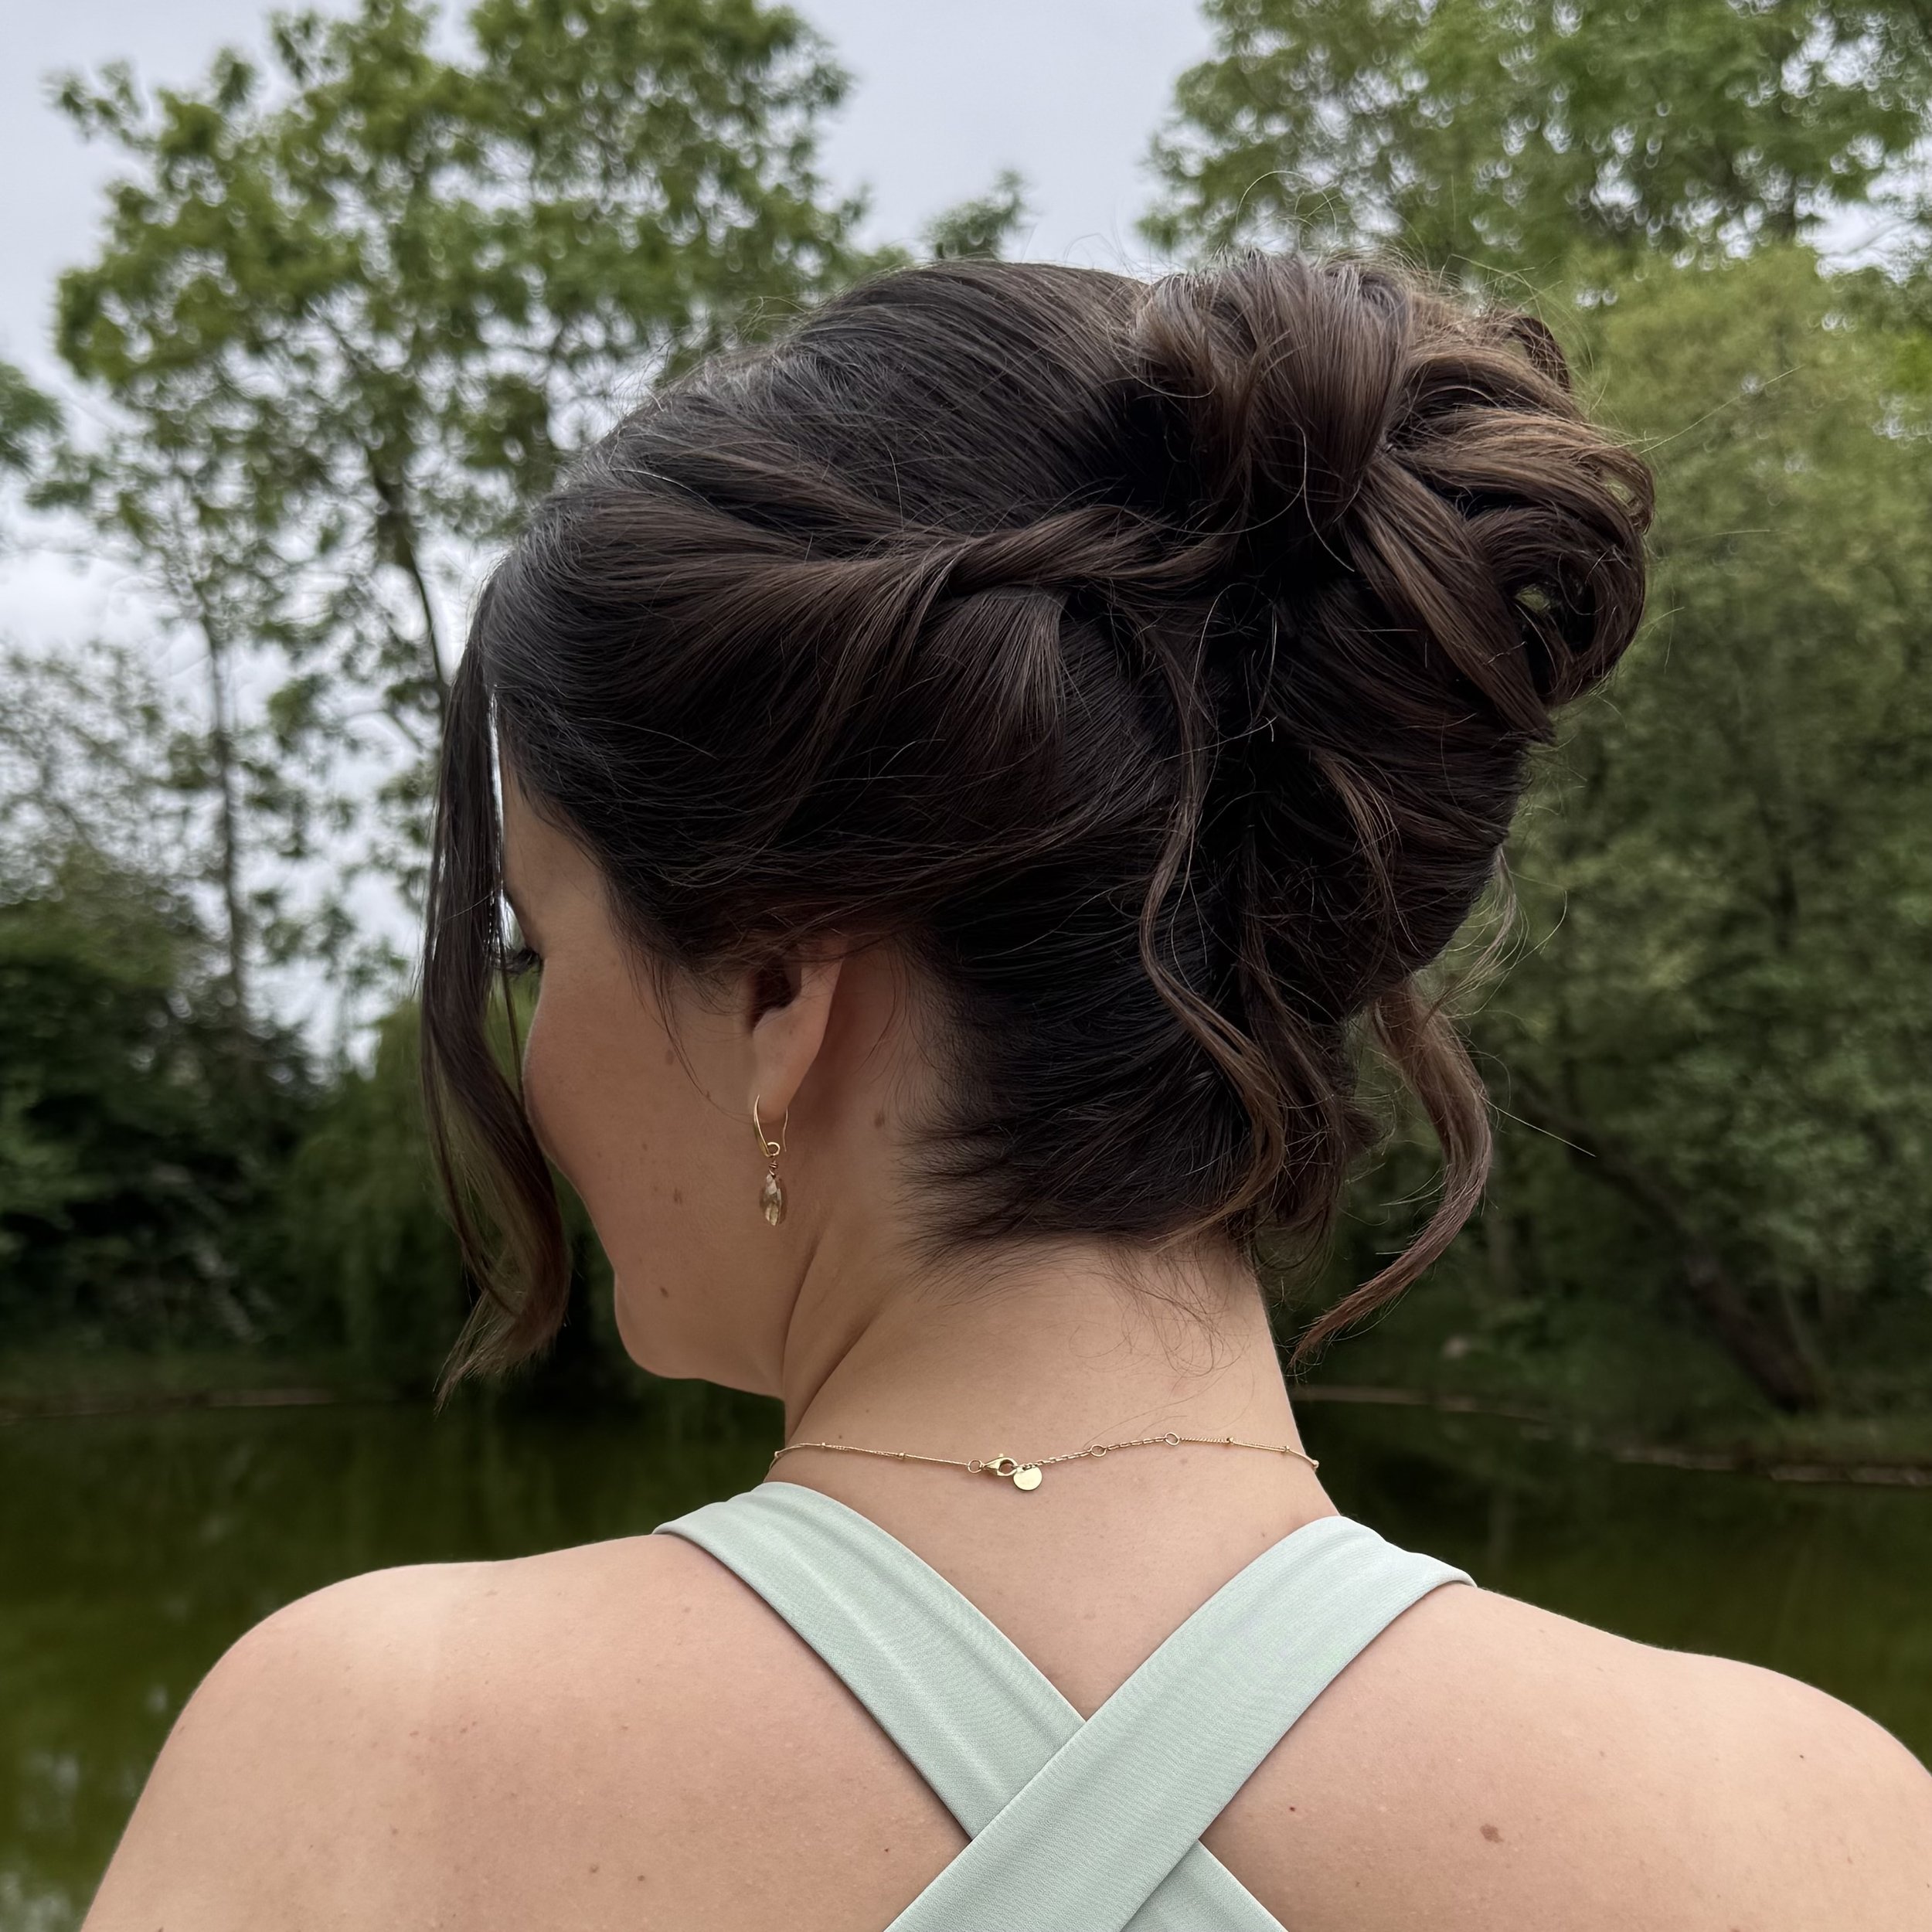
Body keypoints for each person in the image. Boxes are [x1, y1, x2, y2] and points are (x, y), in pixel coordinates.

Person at [83, 255, 1930, 1932]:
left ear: (777, 989)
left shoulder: (365, 1761)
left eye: (531, 946)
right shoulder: (1804, 1826)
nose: (530, 1046)